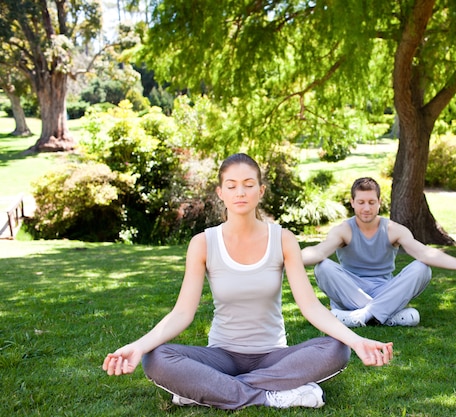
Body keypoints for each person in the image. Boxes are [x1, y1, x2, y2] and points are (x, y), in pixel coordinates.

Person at [102, 154, 393, 410]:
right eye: (231, 185)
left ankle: (209, 390)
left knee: (336, 349)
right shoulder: (203, 243)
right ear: (220, 192)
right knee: (155, 358)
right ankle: (270, 396)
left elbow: (311, 307)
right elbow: (182, 313)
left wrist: (356, 340)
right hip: (222, 356)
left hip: (274, 358)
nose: (240, 191)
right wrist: (138, 346)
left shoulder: (283, 239)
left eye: (248, 184)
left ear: (260, 190)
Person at [301, 177, 456, 328]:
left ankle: (358, 316)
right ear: (352, 202)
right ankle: (386, 315)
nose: (366, 208)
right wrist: (285, 258)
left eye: (371, 202)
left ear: (379, 202)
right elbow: (318, 252)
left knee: (422, 268)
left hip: (385, 290)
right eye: (361, 202)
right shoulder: (343, 230)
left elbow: (424, 253)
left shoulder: (393, 229)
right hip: (351, 289)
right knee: (323, 267)